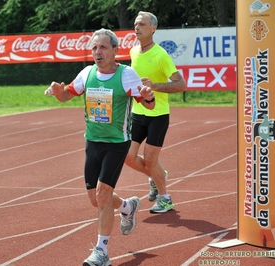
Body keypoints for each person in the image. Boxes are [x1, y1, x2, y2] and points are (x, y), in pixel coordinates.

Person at [44, 28, 156, 266]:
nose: (98, 52)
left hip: (117, 143)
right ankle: (128, 206)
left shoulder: (127, 75)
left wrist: (148, 95)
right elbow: (66, 95)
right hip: (92, 142)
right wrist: (57, 92)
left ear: (115, 50)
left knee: (103, 194)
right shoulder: (87, 73)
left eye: (103, 47)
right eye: (94, 47)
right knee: (96, 199)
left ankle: (101, 252)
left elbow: (147, 104)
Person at [124, 11, 186, 214]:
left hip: (157, 115)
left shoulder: (160, 55)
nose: (137, 27)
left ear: (153, 28)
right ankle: (157, 175)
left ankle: (165, 198)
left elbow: (180, 84)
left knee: (150, 160)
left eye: (142, 24)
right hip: (137, 112)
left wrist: (155, 86)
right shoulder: (133, 51)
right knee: (128, 156)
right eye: (135, 24)